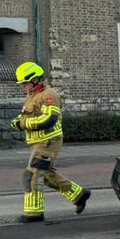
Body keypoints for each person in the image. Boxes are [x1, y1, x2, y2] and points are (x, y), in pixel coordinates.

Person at [11, 62, 90, 222]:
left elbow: (49, 119)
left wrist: (23, 124)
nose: (23, 86)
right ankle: (79, 194)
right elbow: (27, 115)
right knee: (47, 175)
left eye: (25, 83)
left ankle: (34, 213)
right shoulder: (32, 95)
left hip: (48, 141)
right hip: (39, 141)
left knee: (32, 174)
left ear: (36, 79)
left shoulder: (49, 95)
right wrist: (18, 121)